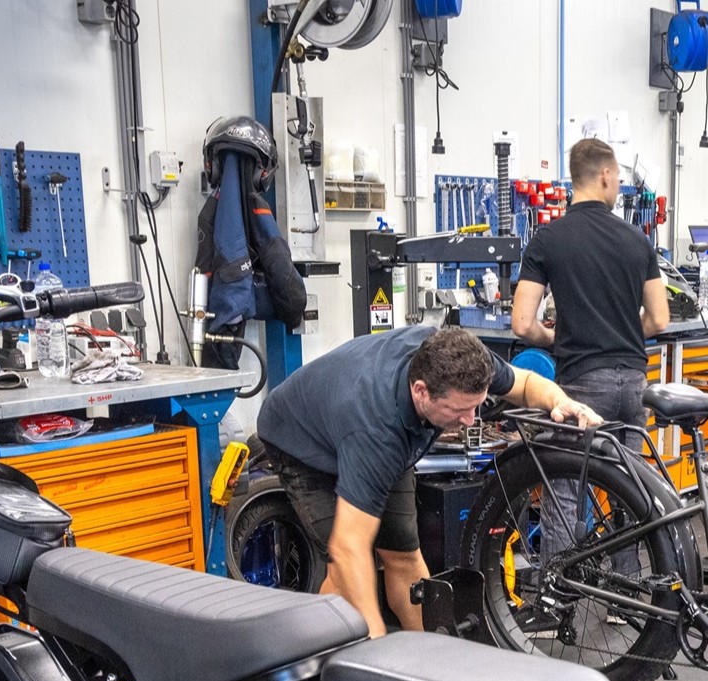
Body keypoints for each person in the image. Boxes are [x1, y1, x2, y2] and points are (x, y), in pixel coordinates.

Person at [255, 325, 600, 637]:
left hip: (379, 439)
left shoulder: (461, 362)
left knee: (403, 554)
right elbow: (348, 548)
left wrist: (561, 401)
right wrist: (379, 648)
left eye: (477, 406)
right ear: (421, 392)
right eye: (459, 411)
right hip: (302, 446)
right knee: (347, 569)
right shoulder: (375, 428)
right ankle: (313, 668)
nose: (470, 420)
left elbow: (523, 383)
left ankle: (431, 657)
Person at [510, 136, 671, 573]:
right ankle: (629, 593)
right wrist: (619, 328)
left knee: (565, 488)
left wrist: (556, 337)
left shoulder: (548, 239)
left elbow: (522, 323)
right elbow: (659, 319)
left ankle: (556, 597)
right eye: (618, 177)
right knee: (630, 486)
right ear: (603, 175)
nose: (618, 185)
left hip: (581, 384)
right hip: (634, 385)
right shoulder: (637, 240)